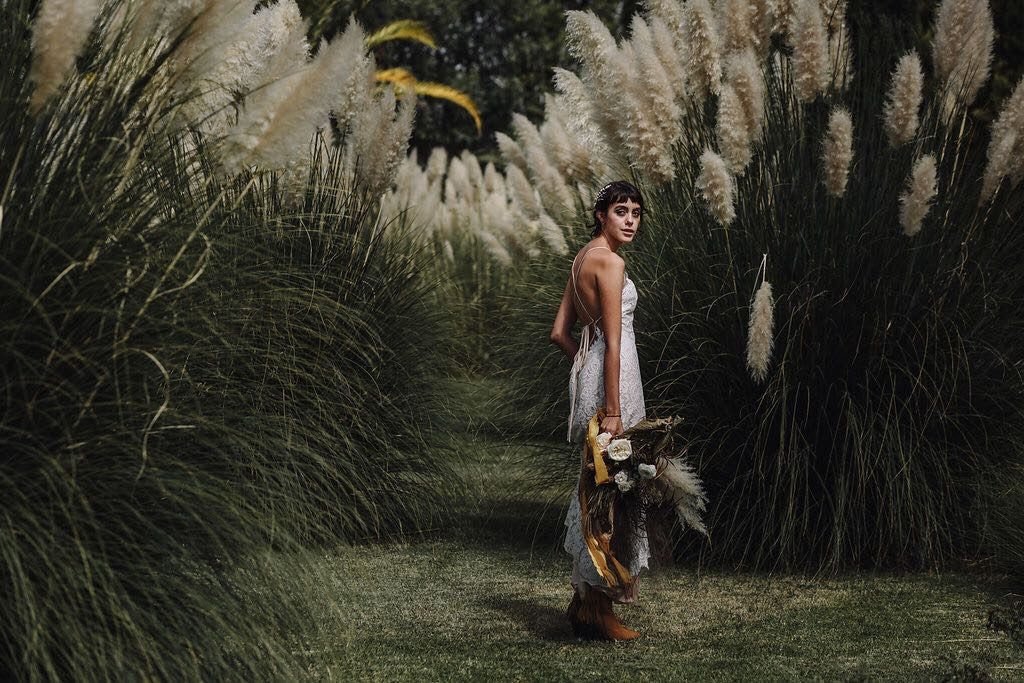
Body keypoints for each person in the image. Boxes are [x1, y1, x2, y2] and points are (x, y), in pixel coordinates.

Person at [549, 180, 648, 641]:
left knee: (598, 482)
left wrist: (581, 363)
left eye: (636, 212)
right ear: (600, 216)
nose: (630, 220)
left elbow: (559, 333)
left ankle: (584, 602)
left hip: (597, 371)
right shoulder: (610, 262)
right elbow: (614, 343)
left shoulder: (581, 259)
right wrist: (611, 408)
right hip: (615, 379)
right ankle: (599, 607)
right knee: (612, 488)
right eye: (620, 211)